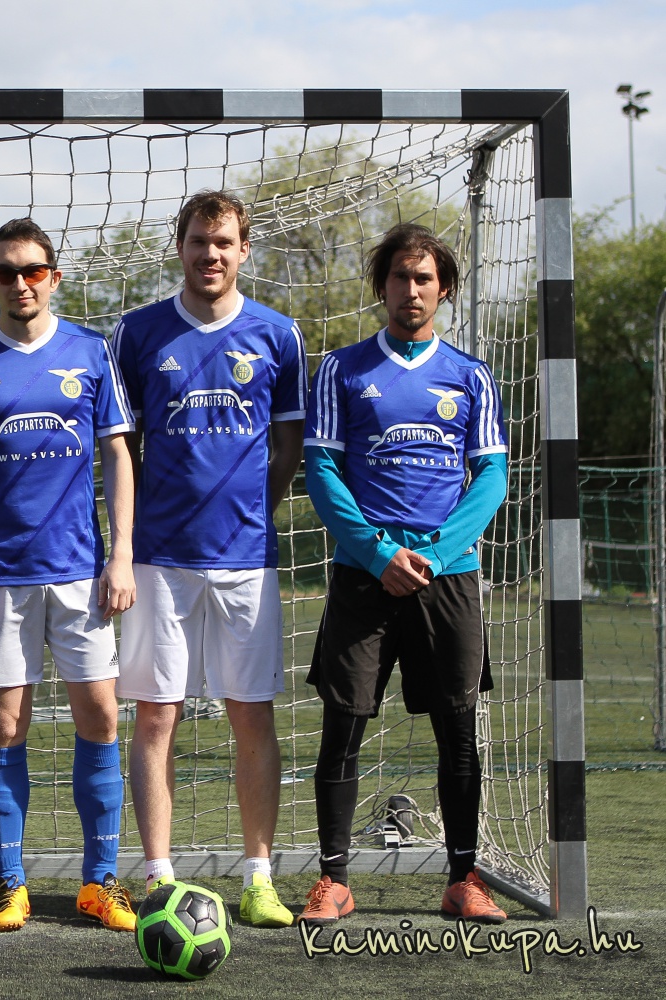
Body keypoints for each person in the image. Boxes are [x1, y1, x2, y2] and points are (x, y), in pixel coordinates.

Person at [0, 218, 137, 933]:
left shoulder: (90, 351)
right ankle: (9, 886)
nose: (21, 283)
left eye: (33, 271)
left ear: (54, 277)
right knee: (6, 726)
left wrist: (120, 555)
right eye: (6, 272)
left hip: (80, 572)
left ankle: (100, 882)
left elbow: (117, 455)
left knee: (101, 718)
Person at [299, 222, 509, 926]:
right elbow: (321, 470)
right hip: (365, 575)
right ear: (381, 285)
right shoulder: (341, 370)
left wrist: (437, 555)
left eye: (424, 278)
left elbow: (491, 475)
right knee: (343, 726)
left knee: (458, 730)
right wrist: (377, 552)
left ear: (443, 290)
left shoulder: (470, 375)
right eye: (399, 276)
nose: (410, 290)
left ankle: (463, 879)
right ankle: (333, 880)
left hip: (447, 576)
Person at [111, 190, 305, 927]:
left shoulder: (279, 335)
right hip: (159, 558)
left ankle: (259, 877)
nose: (210, 254)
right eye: (198, 241)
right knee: (155, 717)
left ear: (244, 250)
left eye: (223, 242)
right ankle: (158, 876)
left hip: (247, 557)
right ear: (181, 247)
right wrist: (129, 536)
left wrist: (255, 506)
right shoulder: (137, 333)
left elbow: (287, 443)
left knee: (251, 716)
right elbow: (121, 447)